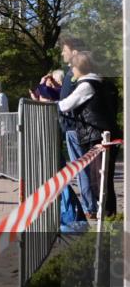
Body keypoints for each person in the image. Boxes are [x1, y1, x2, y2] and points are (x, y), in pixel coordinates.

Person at [58, 52, 120, 218]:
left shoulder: (86, 85)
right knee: (104, 178)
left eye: (73, 66)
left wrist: (54, 104)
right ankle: (108, 215)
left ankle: (106, 217)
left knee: (99, 179)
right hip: (104, 133)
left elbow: (65, 105)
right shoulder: (103, 83)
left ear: (80, 67)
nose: (71, 70)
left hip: (95, 135)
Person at [58, 37, 94, 219]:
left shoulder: (78, 74)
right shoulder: (72, 73)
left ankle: (89, 207)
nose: (62, 53)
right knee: (82, 169)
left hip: (75, 128)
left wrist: (56, 105)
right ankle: (90, 205)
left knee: (81, 168)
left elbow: (68, 102)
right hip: (73, 128)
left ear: (74, 52)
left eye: (64, 50)